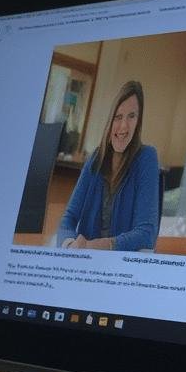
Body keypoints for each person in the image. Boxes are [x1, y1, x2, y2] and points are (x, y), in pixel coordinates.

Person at [56, 80, 159, 251]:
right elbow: (68, 219)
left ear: (138, 121)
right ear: (110, 121)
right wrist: (71, 245)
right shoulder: (96, 158)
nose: (124, 126)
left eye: (131, 116)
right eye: (118, 117)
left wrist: (95, 245)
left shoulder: (147, 157)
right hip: (86, 261)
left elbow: (146, 234)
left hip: (120, 267)